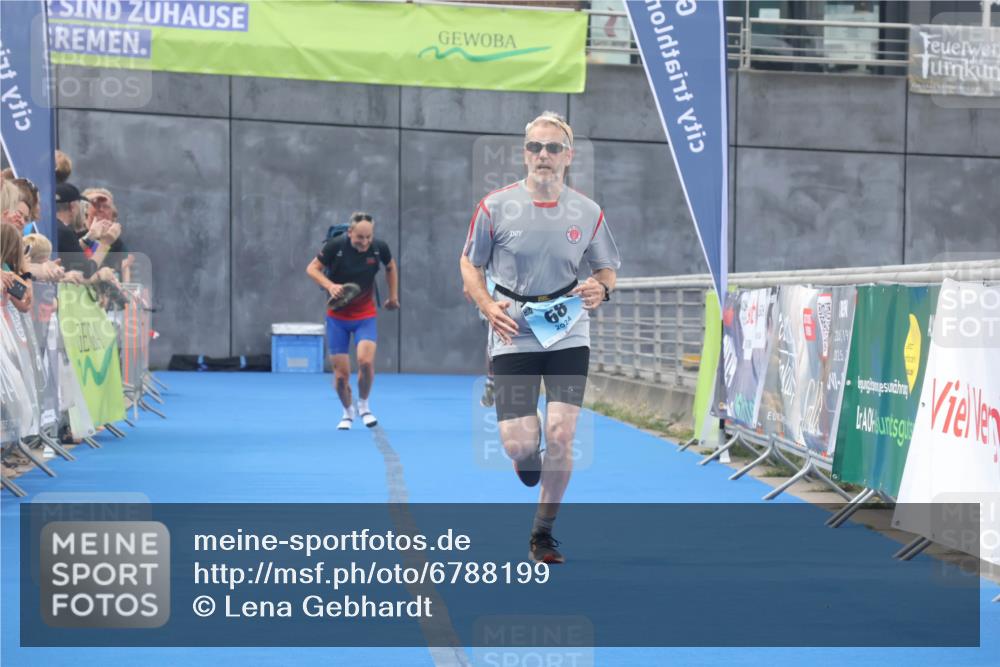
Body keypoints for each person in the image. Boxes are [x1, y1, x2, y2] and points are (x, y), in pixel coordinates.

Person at [460, 111, 620, 564]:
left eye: (553, 148)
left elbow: (607, 269)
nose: (543, 155)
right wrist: (486, 304)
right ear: (523, 154)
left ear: (568, 156)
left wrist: (601, 287)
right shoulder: (495, 206)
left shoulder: (588, 212)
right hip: (512, 327)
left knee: (562, 432)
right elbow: (469, 263)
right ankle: (525, 453)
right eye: (535, 147)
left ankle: (542, 534)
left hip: (568, 325)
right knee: (520, 446)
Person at [306, 212, 399, 430]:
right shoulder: (335, 247)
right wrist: (329, 285)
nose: (365, 242)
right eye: (360, 237)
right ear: (350, 233)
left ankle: (364, 406)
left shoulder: (379, 248)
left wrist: (393, 296)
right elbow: (311, 268)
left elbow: (391, 267)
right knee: (341, 377)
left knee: (365, 362)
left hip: (365, 315)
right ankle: (348, 412)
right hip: (338, 318)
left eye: (368, 237)